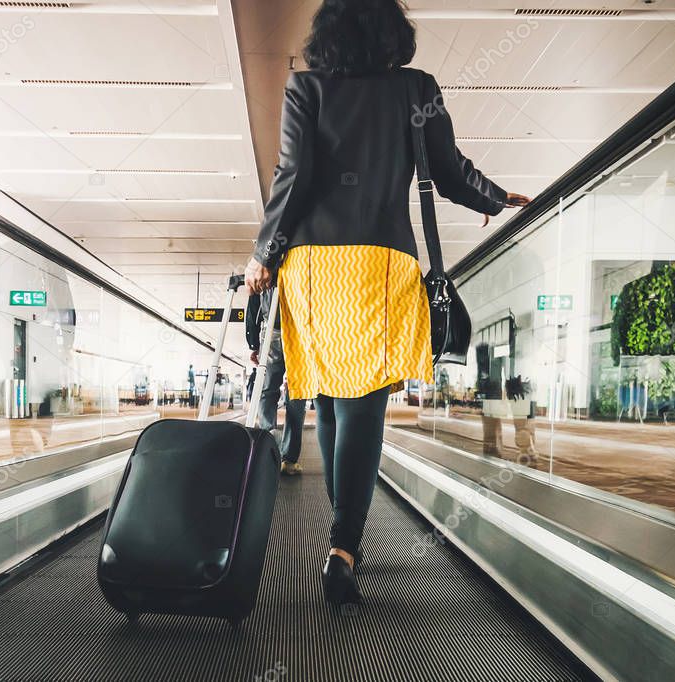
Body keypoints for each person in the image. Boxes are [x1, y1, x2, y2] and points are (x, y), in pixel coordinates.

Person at [244, 0, 530, 605]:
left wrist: (264, 253)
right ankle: (345, 546)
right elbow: (449, 171)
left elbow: (292, 176)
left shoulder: (306, 87)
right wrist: (496, 197)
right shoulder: (415, 89)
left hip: (316, 266)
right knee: (364, 405)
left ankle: (340, 536)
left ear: (328, 32)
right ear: (392, 31)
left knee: (327, 394)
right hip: (381, 263)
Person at [245, 289, 306, 475]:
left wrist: (253, 343)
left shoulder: (265, 264)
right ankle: (289, 459)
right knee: (297, 392)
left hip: (272, 329)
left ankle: (268, 449)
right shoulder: (303, 261)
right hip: (300, 330)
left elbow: (253, 305)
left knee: (267, 390)